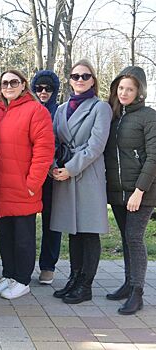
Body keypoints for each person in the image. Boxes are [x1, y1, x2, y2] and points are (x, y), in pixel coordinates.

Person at [0, 69, 55, 299]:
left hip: (23, 186)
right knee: (5, 235)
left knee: (23, 237)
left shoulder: (36, 111)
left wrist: (32, 183)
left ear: (23, 84)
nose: (9, 86)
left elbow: (44, 151)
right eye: (4, 83)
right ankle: (9, 275)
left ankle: (23, 279)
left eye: (14, 82)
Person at [50, 59, 112, 304]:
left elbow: (96, 146)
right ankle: (73, 279)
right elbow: (54, 140)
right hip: (64, 172)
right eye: (75, 76)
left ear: (93, 80)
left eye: (85, 76)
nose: (80, 80)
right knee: (73, 232)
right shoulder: (63, 108)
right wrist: (54, 166)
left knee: (88, 231)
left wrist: (71, 169)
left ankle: (85, 285)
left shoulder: (100, 107)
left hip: (86, 175)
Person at [104, 66, 156, 315]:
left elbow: (154, 157)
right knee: (125, 237)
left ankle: (138, 292)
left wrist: (140, 191)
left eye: (130, 89)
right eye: (121, 88)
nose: (124, 92)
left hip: (142, 191)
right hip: (117, 190)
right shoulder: (113, 115)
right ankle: (127, 283)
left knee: (134, 238)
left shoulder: (148, 116)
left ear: (139, 91)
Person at [30, 70, 62, 285]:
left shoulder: (59, 112)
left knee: (52, 221)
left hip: (52, 173)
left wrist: (54, 164)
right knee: (26, 221)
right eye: (39, 88)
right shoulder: (29, 110)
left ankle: (48, 266)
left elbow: (63, 141)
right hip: (30, 172)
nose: (43, 92)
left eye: (48, 88)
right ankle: (23, 264)